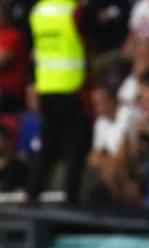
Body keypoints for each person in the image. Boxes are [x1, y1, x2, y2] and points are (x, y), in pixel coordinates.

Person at [27, 0, 92, 204]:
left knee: (49, 145)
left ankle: (33, 194)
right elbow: (89, 40)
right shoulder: (74, 10)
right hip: (72, 84)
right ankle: (70, 199)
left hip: (46, 84)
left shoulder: (38, 10)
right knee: (77, 145)